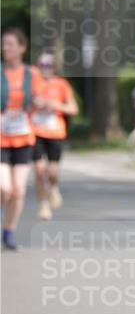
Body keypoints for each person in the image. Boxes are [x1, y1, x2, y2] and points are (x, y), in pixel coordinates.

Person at [1, 28, 45, 250]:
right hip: (0, 138)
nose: (5, 48)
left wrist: (38, 102)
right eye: (3, 44)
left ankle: (8, 231)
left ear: (21, 48)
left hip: (23, 136)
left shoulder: (32, 74)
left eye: (9, 44)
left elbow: (39, 100)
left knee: (18, 189)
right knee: (4, 188)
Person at [32, 51, 79, 220]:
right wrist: (34, 104)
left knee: (52, 171)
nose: (45, 69)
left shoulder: (61, 84)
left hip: (55, 132)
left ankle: (53, 187)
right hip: (34, 131)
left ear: (53, 68)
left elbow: (73, 109)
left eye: (48, 66)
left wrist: (55, 104)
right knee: (39, 170)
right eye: (42, 65)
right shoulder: (31, 83)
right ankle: (43, 204)